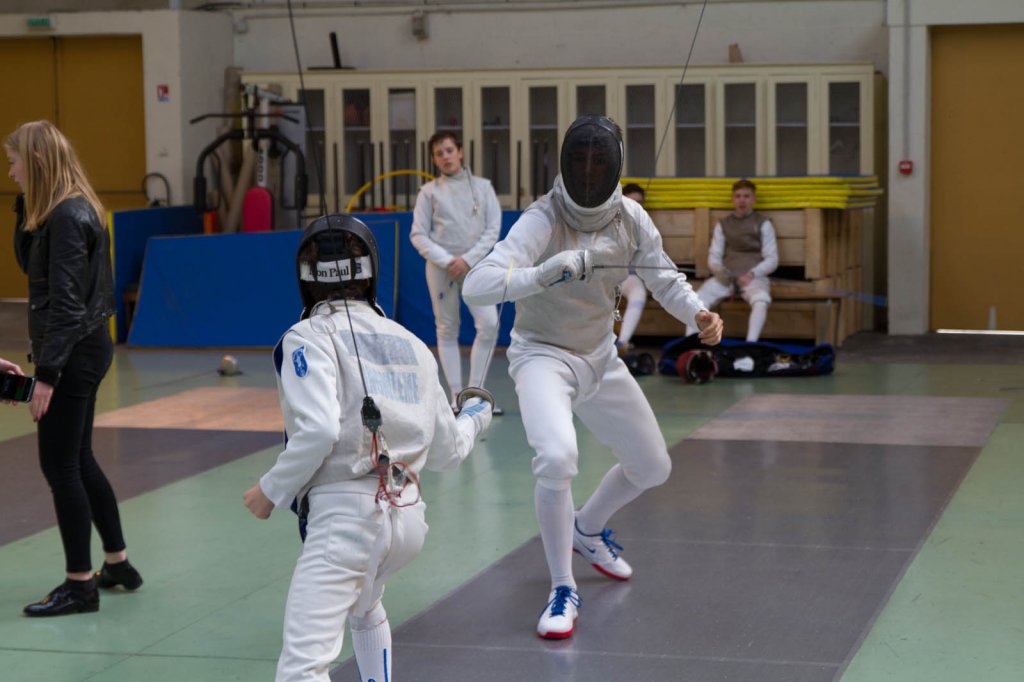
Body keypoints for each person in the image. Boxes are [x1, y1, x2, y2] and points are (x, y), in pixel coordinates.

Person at [462, 116, 723, 639]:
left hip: (601, 358)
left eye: (597, 161)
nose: (586, 169)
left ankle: (587, 527)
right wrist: (542, 273)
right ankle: (562, 586)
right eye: (578, 159)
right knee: (558, 457)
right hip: (542, 357)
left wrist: (697, 313)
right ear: (564, 162)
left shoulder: (630, 217)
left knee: (652, 467)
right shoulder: (543, 217)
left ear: (615, 165)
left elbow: (664, 279)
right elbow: (477, 284)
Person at [243, 214, 493, 682]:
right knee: (366, 606)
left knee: (301, 669)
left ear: (305, 280)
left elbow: (319, 430)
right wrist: (476, 415)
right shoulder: (413, 345)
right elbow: (448, 453)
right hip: (408, 523)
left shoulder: (305, 338)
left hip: (347, 522)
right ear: (371, 273)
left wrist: (270, 489)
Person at [5, 120, 143, 617]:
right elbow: (30, 264)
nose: (11, 172)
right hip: (86, 347)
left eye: (15, 163)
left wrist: (47, 375)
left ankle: (79, 585)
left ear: (37, 162)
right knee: (79, 458)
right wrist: (25, 204)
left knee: (59, 465)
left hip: (73, 351)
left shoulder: (67, 216)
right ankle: (117, 563)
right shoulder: (63, 210)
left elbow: (64, 303)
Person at [410, 131, 502, 412]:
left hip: (477, 267)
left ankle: (476, 393)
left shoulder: (483, 188)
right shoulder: (429, 192)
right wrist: (449, 260)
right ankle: (456, 396)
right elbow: (418, 234)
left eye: (449, 150)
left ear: (460, 151)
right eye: (439, 153)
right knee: (447, 328)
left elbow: (492, 229)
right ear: (434, 159)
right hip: (442, 270)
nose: (445, 157)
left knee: (489, 324)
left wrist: (468, 260)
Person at [685, 179, 778, 342]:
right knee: (697, 299)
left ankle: (750, 344)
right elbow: (714, 256)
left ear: (754, 199)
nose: (742, 200)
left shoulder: (763, 223)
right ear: (733, 199)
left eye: (746, 196)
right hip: (726, 278)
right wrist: (721, 272)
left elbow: (772, 259)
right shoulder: (723, 224)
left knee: (761, 300)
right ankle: (691, 343)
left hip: (753, 279)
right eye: (738, 196)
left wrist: (752, 274)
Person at [615, 182, 648, 353]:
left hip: (630, 277)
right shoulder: (607, 220)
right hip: (606, 274)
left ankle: (622, 343)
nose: (635, 206)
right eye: (631, 201)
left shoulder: (646, 226)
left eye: (639, 202)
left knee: (639, 292)